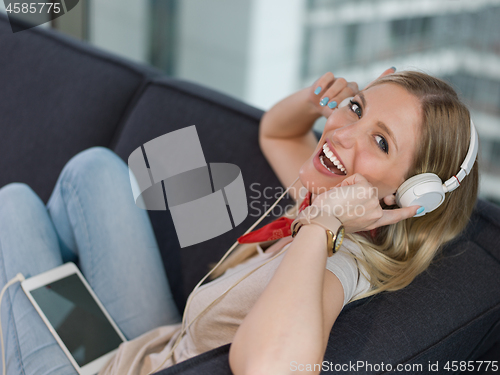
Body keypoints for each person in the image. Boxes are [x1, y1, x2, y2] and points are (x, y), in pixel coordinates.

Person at [0, 68, 478, 375]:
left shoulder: (338, 260)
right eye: (357, 109)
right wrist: (318, 101)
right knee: (95, 170)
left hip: (128, 369)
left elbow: (271, 367)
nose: (343, 134)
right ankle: (48, 311)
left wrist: (323, 223)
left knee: (15, 206)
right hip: (159, 343)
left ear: (413, 196)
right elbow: (276, 131)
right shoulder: (327, 199)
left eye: (381, 143)